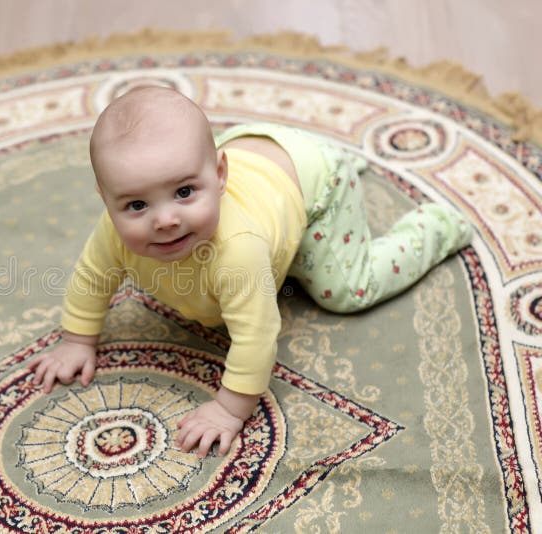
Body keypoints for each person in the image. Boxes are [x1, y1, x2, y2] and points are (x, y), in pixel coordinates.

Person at [28, 86, 472, 458]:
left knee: (346, 289)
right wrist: (76, 340)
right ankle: (287, 172)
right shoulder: (114, 231)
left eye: (184, 191)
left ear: (220, 174)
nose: (165, 220)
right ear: (106, 200)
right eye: (137, 205)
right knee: (272, 259)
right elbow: (92, 277)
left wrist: (229, 409)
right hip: (258, 151)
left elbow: (257, 335)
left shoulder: (237, 250)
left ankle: (437, 225)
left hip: (316, 187)